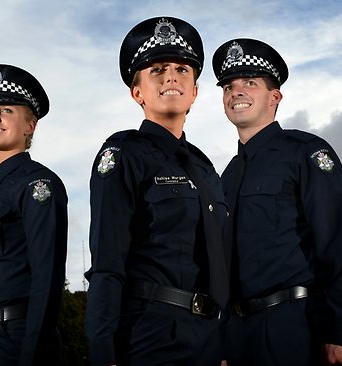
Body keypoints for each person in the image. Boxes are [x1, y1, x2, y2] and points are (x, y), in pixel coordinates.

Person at [85, 17, 229, 366]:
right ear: (138, 93)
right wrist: (103, 351)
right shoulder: (123, 155)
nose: (171, 76)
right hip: (149, 333)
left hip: (209, 337)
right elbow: (107, 263)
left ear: (194, 90)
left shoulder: (205, 168)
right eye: (157, 69)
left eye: (182, 69)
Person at [212, 38, 342, 366]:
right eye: (228, 86)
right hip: (238, 335)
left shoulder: (305, 152)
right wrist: (222, 340)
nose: (236, 92)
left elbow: (340, 243)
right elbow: (222, 267)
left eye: (250, 83)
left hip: (294, 327)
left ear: (275, 97)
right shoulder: (226, 177)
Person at [0, 64, 68, 366]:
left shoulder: (37, 185)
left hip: (14, 342)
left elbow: (47, 280)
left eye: (5, 110)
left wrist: (34, 355)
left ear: (29, 126)